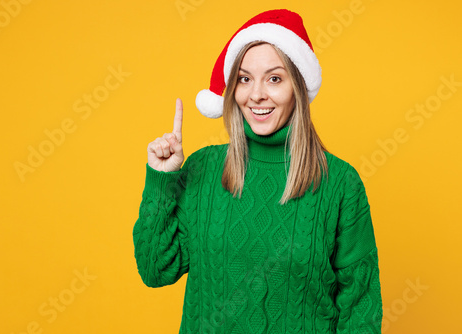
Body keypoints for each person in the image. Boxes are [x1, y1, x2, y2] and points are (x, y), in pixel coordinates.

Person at [133, 9, 382, 333]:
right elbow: (155, 270)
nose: (256, 94)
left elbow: (360, 309)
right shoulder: (202, 169)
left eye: (274, 78)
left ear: (298, 86)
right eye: (244, 78)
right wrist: (162, 180)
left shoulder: (340, 184)